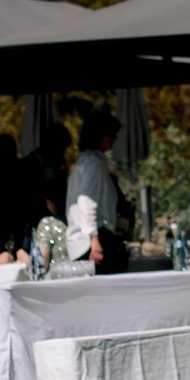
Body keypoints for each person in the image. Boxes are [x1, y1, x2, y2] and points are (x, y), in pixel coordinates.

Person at [64, 110, 128, 272]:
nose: (114, 140)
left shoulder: (86, 162)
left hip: (84, 238)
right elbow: (87, 201)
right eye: (111, 135)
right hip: (91, 239)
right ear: (100, 136)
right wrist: (94, 240)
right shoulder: (93, 163)